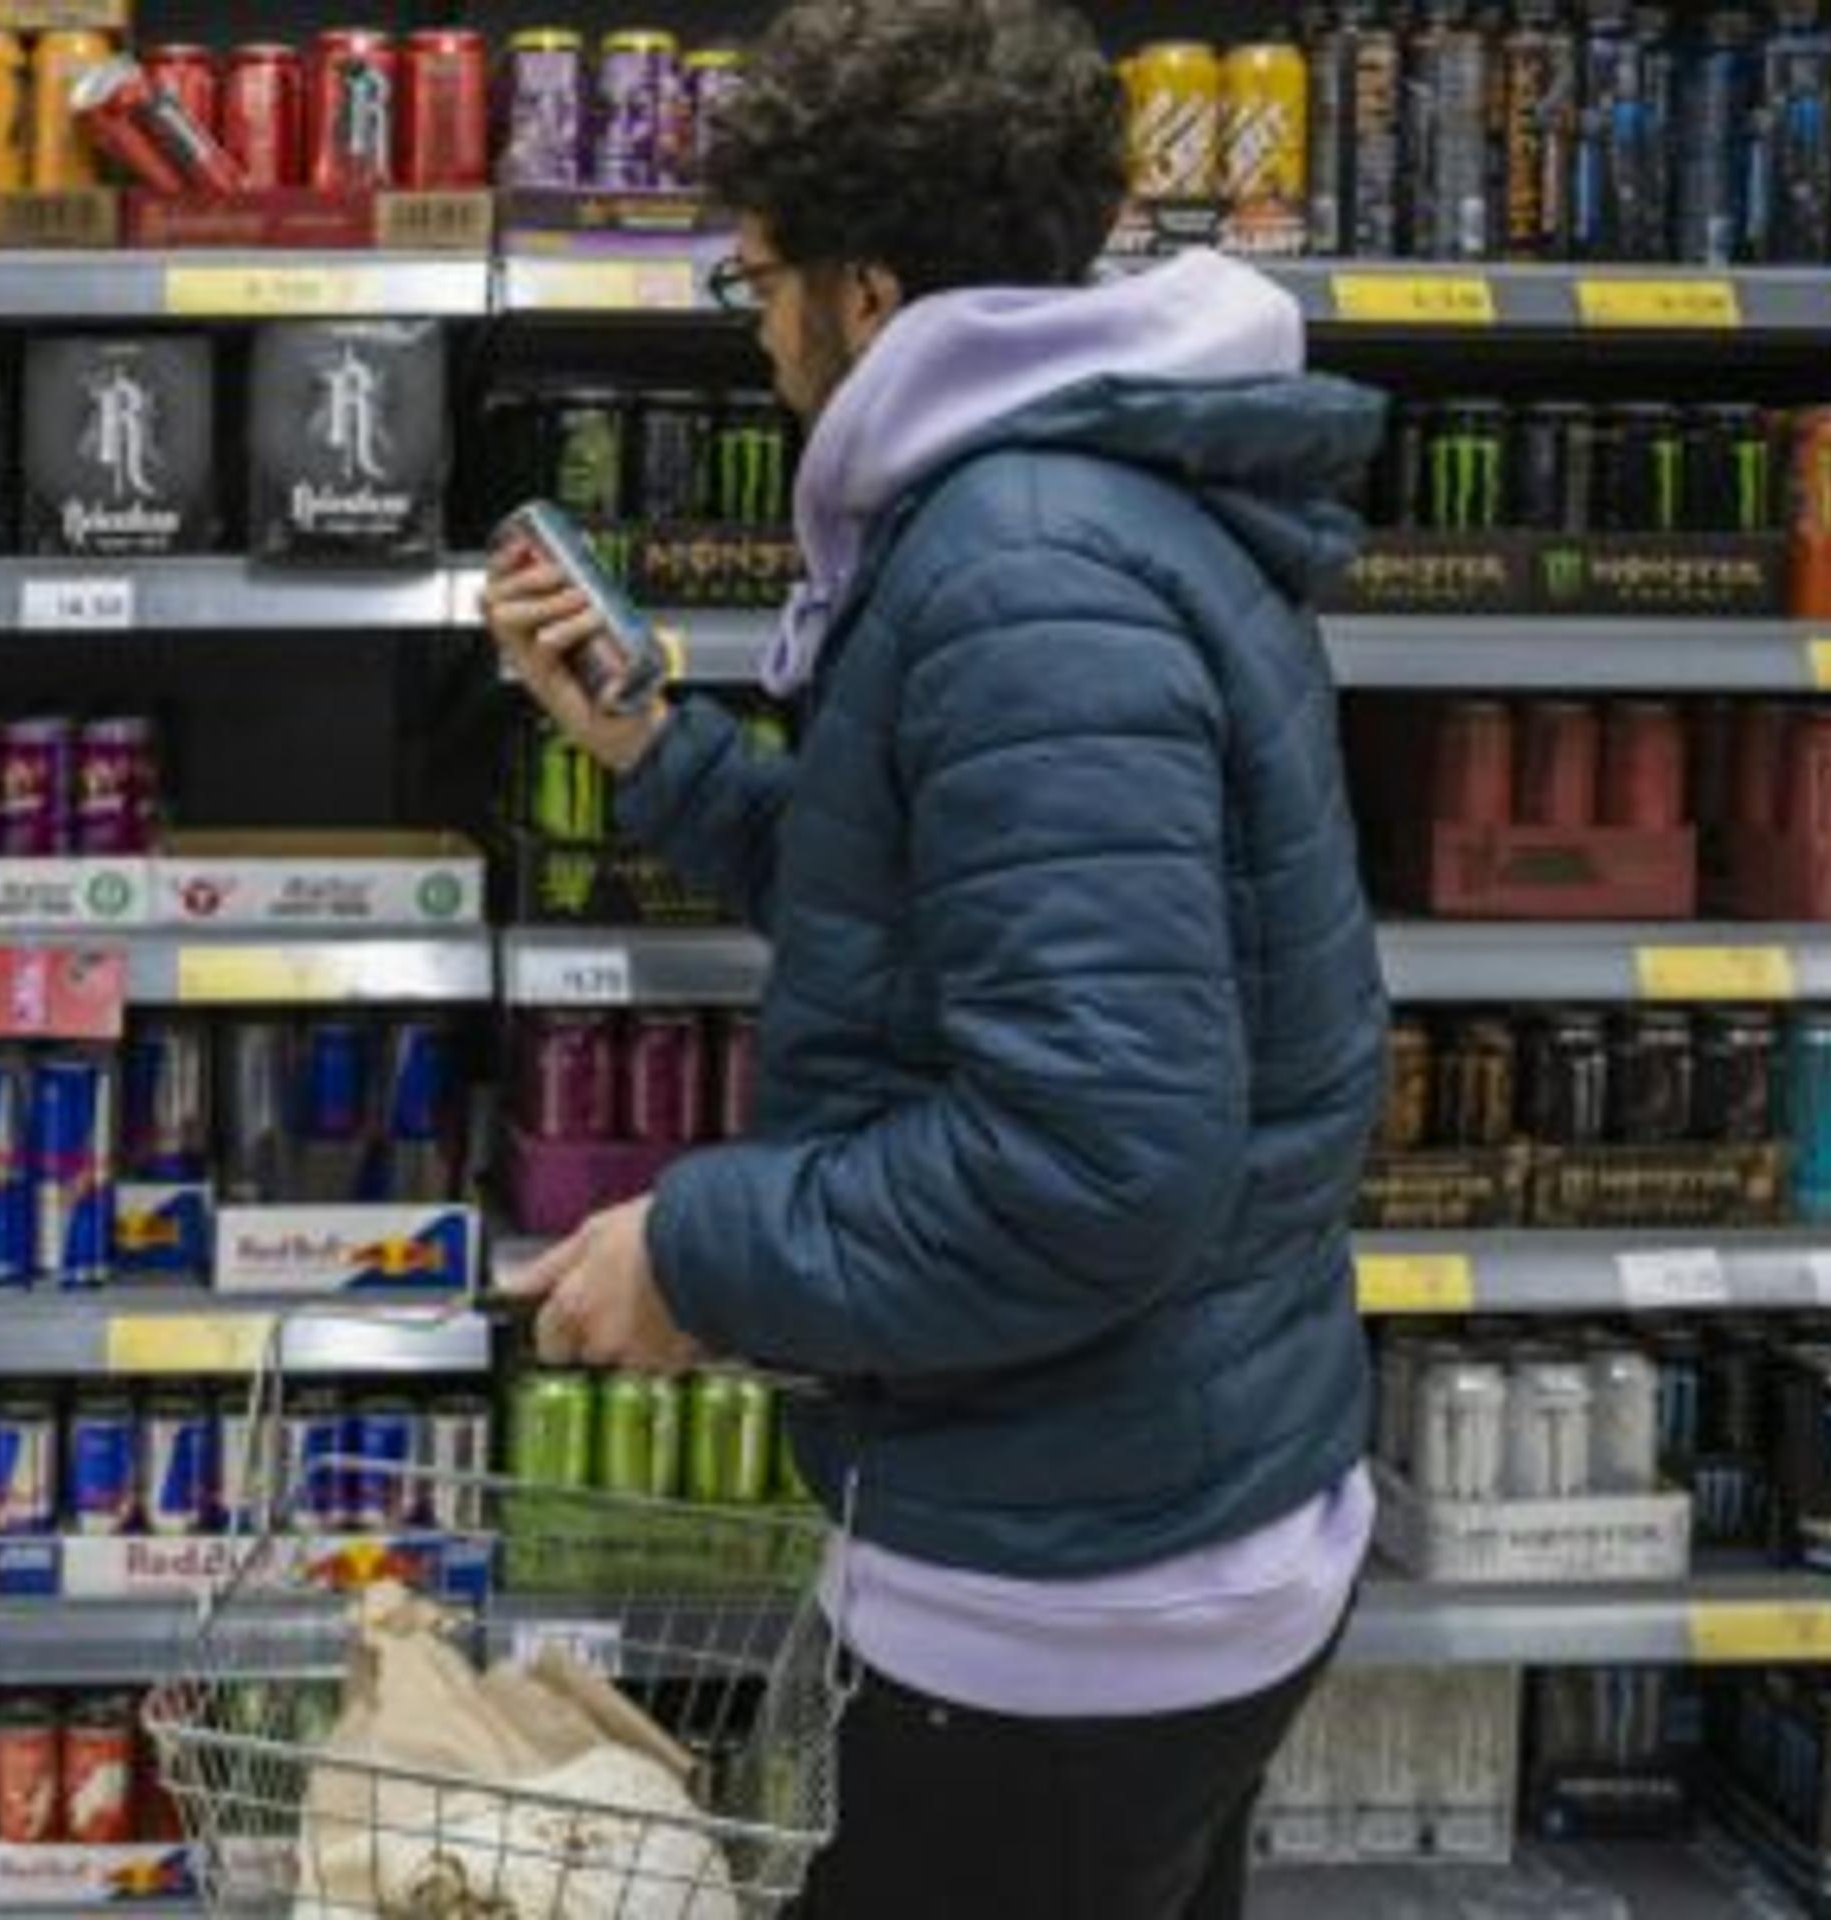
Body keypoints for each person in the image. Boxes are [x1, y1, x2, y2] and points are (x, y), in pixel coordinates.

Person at [482, 4, 1389, 1916]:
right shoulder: (1057, 512)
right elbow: (947, 923)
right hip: (1136, 1504)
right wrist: (662, 754)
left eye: (759, 280)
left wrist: (697, 1250)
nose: (755, 332)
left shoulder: (1023, 571)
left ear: (868, 287)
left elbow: (1091, 1160)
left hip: (1086, 1586)